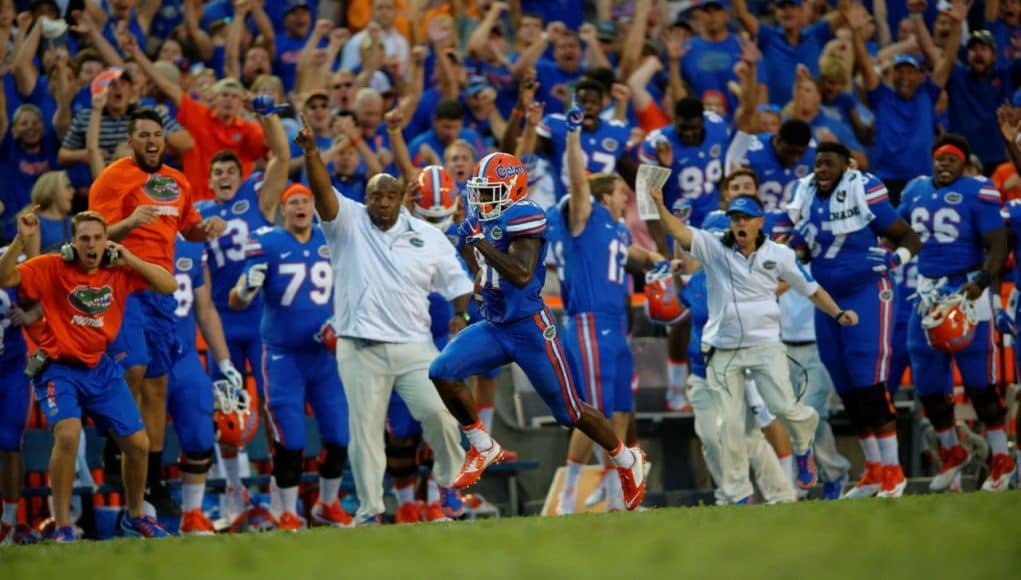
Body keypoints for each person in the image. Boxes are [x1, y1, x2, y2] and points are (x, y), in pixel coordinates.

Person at [428, 150, 648, 510]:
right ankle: (483, 445)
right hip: (496, 326)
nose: (481, 200)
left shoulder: (525, 214)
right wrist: (480, 276)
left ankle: (626, 458)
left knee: (570, 412)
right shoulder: (485, 217)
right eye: (479, 192)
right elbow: (484, 266)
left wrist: (479, 241)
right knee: (442, 371)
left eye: (489, 191)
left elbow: (521, 272)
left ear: (512, 189)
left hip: (531, 329)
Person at [296, 114, 468, 526]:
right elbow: (323, 192)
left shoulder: (428, 236)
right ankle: (370, 509)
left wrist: (462, 313)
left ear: (402, 198)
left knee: (441, 416)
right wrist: (311, 153)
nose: (382, 204)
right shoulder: (348, 222)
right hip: (360, 347)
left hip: (414, 347)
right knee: (366, 432)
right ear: (366, 198)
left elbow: (459, 282)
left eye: (390, 196)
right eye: (376, 197)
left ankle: (448, 488)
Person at [651, 187, 858, 504]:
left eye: (745, 218)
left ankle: (803, 448)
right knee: (728, 424)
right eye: (734, 219)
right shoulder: (715, 249)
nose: (739, 224)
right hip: (722, 351)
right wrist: (660, 206)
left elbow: (812, 289)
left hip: (764, 346)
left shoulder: (778, 254)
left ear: (760, 221)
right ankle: (736, 494)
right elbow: (678, 232)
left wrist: (838, 313)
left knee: (786, 409)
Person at [0, 210, 177, 542]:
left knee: (139, 444)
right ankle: (63, 525)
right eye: (84, 238)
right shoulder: (52, 267)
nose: (91, 245)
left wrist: (130, 258)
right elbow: (3, 278)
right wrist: (19, 241)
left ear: (106, 241)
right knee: (68, 435)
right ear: (73, 242)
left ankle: (136, 515)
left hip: (100, 367)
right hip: (57, 367)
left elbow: (169, 285)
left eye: (98, 238)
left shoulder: (118, 271)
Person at [88, 108, 229, 516]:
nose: (151, 141)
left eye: (157, 135)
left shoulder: (177, 181)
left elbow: (189, 229)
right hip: (122, 287)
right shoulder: (113, 178)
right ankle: (118, 448)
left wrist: (209, 228)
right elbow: (93, 239)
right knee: (132, 367)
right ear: (131, 140)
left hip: (162, 292)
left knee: (156, 385)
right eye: (143, 135)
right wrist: (130, 222)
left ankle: (151, 477)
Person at [786, 142, 922, 498]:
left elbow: (909, 235)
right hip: (827, 299)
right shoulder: (806, 194)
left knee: (868, 380)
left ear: (847, 165)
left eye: (829, 163)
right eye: (818, 164)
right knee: (844, 383)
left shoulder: (863, 188)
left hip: (866, 292)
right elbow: (803, 246)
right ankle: (875, 470)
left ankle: (894, 471)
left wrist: (896, 259)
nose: (822, 170)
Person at [548, 105, 664, 514]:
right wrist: (574, 136)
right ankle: (569, 493)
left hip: (615, 326)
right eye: (619, 190)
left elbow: (631, 252)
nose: (625, 194)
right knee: (591, 412)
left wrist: (659, 262)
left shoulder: (614, 227)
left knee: (619, 409)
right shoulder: (585, 215)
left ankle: (616, 494)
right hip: (588, 322)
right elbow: (578, 181)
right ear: (602, 195)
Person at [229, 183, 354, 531]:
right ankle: (282, 508)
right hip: (284, 357)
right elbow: (237, 300)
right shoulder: (267, 242)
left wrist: (343, 322)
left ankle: (328, 504)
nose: (300, 206)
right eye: (293, 202)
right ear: (283, 209)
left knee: (339, 435)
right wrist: (244, 289)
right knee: (292, 438)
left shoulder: (331, 238)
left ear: (313, 206)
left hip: (325, 356)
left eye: (305, 201)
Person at [898, 134, 1016, 493]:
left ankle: (1000, 457)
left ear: (964, 164)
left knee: (980, 381)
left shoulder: (977, 190)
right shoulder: (915, 190)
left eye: (951, 159)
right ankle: (952, 451)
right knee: (928, 383)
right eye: (939, 159)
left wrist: (982, 280)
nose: (943, 164)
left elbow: (999, 242)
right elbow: (898, 231)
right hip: (927, 292)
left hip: (967, 289)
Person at [193, 107, 289, 523]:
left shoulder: (258, 199)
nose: (225, 177)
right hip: (222, 325)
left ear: (240, 174)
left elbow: (283, 158)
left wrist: (268, 119)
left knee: (271, 406)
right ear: (210, 180)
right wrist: (197, 231)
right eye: (218, 173)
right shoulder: (196, 212)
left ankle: (276, 490)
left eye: (231, 171)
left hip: (261, 320)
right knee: (226, 407)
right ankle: (233, 486)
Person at [0, 246, 42, 545]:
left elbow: (47, 295)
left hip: (12, 369)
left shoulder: (10, 258)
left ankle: (10, 521)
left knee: (10, 443)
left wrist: (27, 315)